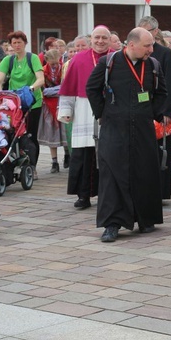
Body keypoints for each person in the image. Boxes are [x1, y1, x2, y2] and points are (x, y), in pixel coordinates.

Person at [85, 27, 167, 243]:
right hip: (114, 129)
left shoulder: (153, 66)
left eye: (152, 45)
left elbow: (162, 93)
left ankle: (145, 218)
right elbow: (91, 89)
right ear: (132, 45)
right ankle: (112, 224)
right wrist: (104, 112)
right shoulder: (109, 63)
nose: (151, 49)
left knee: (144, 172)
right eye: (147, 45)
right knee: (113, 175)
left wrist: (154, 113)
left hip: (143, 130)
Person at [58, 28, 112, 210]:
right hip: (83, 110)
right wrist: (66, 110)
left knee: (110, 155)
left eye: (105, 38)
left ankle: (108, 194)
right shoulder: (79, 59)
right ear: (91, 40)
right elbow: (68, 88)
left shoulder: (117, 57)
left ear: (110, 40)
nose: (100, 41)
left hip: (110, 109)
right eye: (97, 37)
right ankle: (84, 195)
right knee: (85, 155)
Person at [139, 16, 171, 200]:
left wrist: (169, 111)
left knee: (162, 151)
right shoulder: (136, 52)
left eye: (147, 29)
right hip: (142, 110)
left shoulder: (165, 53)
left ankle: (163, 191)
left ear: (156, 32)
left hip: (161, 111)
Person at [0, 31, 45, 178]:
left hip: (32, 102)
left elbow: (40, 79)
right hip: (14, 103)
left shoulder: (32, 58)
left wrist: (31, 88)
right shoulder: (8, 61)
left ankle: (32, 165)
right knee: (13, 133)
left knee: (30, 134)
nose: (17, 46)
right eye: (14, 43)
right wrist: (0, 94)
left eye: (19, 42)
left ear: (25, 43)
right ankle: (13, 161)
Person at [38, 49, 67, 173]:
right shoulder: (43, 71)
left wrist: (55, 90)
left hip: (62, 103)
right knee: (52, 132)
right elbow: (42, 90)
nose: (54, 66)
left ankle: (67, 155)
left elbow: (65, 86)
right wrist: (57, 90)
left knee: (65, 131)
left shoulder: (64, 69)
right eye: (52, 63)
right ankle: (54, 161)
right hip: (49, 105)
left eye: (56, 63)